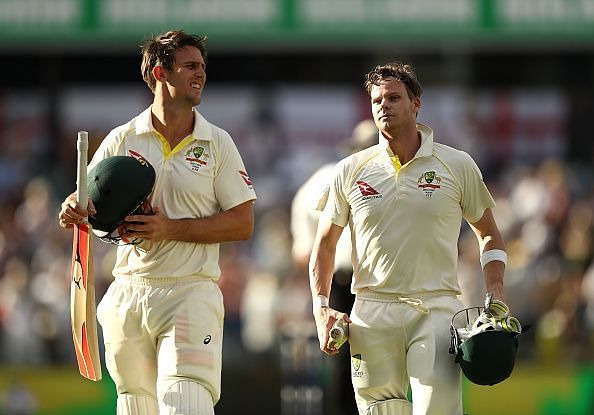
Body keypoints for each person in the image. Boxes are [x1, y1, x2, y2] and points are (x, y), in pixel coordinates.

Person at [58, 30, 256, 415]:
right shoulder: (122, 137)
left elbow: (242, 223)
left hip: (190, 292)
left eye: (202, 67)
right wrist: (72, 206)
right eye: (190, 67)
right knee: (134, 406)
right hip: (128, 292)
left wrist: (171, 229)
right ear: (160, 73)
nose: (201, 74)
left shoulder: (217, 143)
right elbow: (90, 201)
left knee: (186, 403)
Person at [308, 62, 507, 415]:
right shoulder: (350, 169)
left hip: (435, 308)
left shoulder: (456, 164)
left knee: (437, 411)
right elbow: (324, 244)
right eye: (376, 101)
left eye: (393, 97)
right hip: (370, 311)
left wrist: (495, 295)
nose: (383, 105)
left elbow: (489, 233)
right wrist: (321, 308)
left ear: (416, 104)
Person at [291, 119, 377, 414]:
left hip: (383, 281)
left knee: (379, 361)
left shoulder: (394, 176)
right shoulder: (332, 175)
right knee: (345, 361)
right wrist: (308, 250)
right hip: (343, 280)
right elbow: (303, 218)